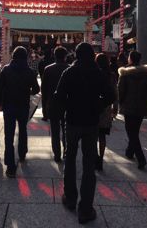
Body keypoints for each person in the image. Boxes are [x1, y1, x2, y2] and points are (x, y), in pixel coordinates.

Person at [54, 42, 114, 224]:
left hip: (72, 120)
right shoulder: (98, 73)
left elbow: (58, 96)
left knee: (70, 158)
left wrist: (66, 108)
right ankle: (86, 209)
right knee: (89, 164)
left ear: (77, 55)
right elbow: (110, 96)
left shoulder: (69, 72)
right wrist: (98, 106)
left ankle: (70, 197)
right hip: (91, 122)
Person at [0, 46, 40, 178]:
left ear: (13, 56)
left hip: (9, 105)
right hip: (23, 105)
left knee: (9, 135)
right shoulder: (30, 71)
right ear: (25, 57)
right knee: (22, 129)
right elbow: (36, 89)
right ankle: (22, 153)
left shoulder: (6, 70)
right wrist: (28, 92)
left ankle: (10, 166)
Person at [118, 50, 147, 170]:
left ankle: (141, 158)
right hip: (142, 107)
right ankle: (129, 151)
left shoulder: (125, 74)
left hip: (129, 107)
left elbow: (121, 91)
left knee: (131, 132)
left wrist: (120, 102)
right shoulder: (146, 74)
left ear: (130, 59)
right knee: (135, 131)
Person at [41, 46, 69, 162]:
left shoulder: (48, 69)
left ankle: (56, 153)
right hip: (67, 103)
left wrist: (44, 108)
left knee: (55, 130)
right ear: (65, 56)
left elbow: (44, 90)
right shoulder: (69, 69)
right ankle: (66, 151)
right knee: (66, 129)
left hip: (52, 103)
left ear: (54, 55)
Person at [95, 53, 118, 171]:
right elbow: (115, 92)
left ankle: (95, 157)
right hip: (106, 108)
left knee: (93, 135)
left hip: (94, 107)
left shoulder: (94, 74)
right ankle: (101, 157)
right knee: (102, 135)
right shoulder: (112, 75)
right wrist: (115, 107)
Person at [38, 48, 55, 121]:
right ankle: (52, 113)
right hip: (54, 82)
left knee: (44, 99)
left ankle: (45, 115)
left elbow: (40, 72)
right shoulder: (53, 62)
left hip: (44, 81)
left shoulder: (41, 62)